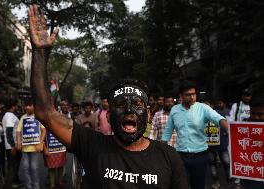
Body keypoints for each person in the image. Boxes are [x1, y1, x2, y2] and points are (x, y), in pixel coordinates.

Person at [28, 4, 188, 188]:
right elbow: (45, 112)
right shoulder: (91, 144)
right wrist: (39, 52)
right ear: (109, 116)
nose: (129, 110)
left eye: (136, 104)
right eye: (121, 104)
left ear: (149, 115)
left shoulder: (169, 156)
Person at [162, 80, 228, 189]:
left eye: (193, 94)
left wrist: (230, 131)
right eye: (188, 95)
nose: (192, 97)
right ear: (181, 96)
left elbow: (219, 119)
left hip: (200, 156)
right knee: (180, 185)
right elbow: (167, 133)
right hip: (180, 156)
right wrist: (161, 154)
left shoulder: (203, 108)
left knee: (198, 186)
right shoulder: (174, 110)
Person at [16, 101, 46, 189]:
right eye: (26, 105)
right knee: (25, 168)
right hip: (25, 148)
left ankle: (36, 186)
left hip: (35, 148)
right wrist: (18, 142)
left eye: (29, 105)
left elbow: (44, 130)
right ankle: (28, 186)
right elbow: (18, 131)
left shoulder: (38, 117)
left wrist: (41, 143)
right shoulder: (23, 117)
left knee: (34, 168)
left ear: (34, 106)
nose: (27, 107)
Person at [240, 91, 264, 189]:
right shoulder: (242, 127)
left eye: (261, 114)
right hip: (249, 176)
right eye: (253, 113)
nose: (256, 117)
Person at [2, 99, 22, 188]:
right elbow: (9, 131)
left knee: (13, 165)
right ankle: (11, 184)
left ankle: (15, 180)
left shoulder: (6, 115)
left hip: (10, 145)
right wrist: (13, 146)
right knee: (13, 166)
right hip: (12, 145)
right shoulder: (10, 116)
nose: (17, 108)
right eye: (16, 106)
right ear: (13, 106)